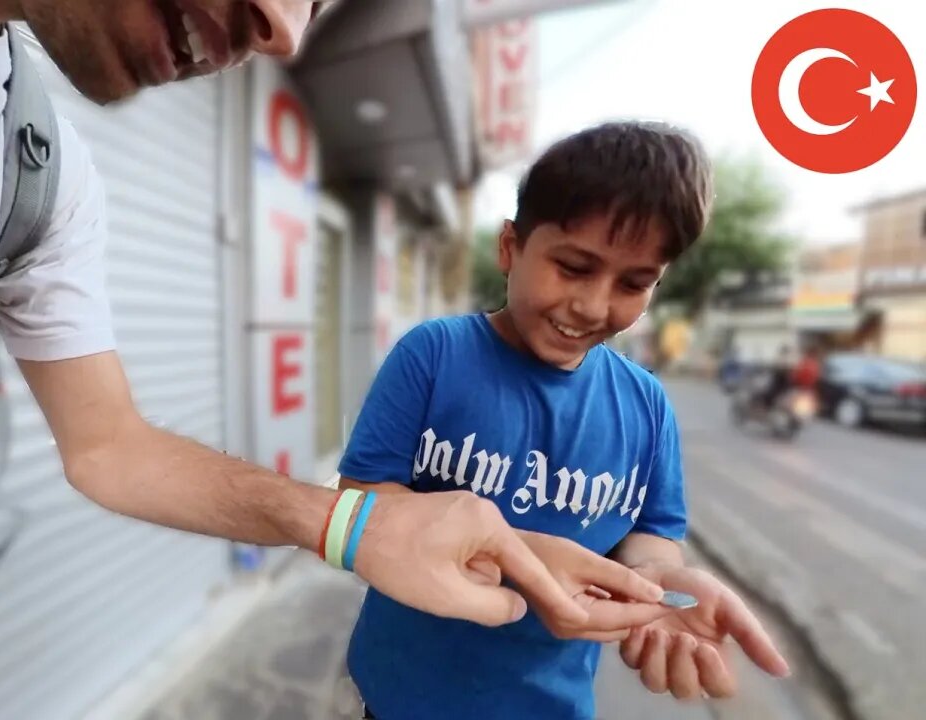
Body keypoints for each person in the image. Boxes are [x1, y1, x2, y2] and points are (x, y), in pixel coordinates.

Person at [0, 2, 666, 718]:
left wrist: (349, 526)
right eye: (572, 263)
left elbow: (109, 447)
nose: (286, 28)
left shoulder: (33, 161)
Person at [337, 121, 793, 720]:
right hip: (402, 696)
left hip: (551, 705)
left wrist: (657, 588)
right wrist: (515, 554)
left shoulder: (647, 405)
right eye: (574, 267)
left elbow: (653, 532)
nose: (594, 305)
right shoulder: (434, 355)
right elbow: (362, 496)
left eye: (635, 283)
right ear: (510, 248)